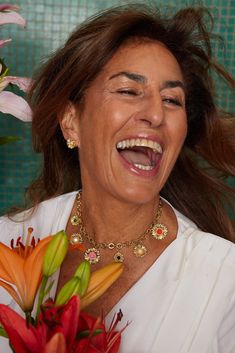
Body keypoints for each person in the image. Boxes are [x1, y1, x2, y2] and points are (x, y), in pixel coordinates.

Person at [0, 4, 235, 353]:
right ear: (71, 121)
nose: (156, 114)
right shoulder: (10, 241)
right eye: (128, 91)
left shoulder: (223, 277)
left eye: (172, 99)